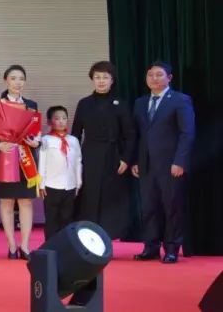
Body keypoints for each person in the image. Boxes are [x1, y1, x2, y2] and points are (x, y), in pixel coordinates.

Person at [132, 61, 195, 264]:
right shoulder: (140, 102)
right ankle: (150, 247)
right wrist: (136, 160)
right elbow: (138, 135)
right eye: (150, 75)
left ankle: (172, 248)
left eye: (159, 75)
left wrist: (180, 161)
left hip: (171, 164)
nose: (154, 78)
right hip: (146, 164)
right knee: (149, 207)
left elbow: (187, 133)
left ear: (169, 78)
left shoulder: (180, 100)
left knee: (172, 207)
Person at [71, 61, 135, 240]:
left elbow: (130, 134)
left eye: (105, 77)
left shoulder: (121, 104)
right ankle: (88, 236)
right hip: (89, 155)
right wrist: (74, 161)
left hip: (114, 156)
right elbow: (75, 134)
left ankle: (108, 238)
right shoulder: (84, 103)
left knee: (110, 198)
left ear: (112, 80)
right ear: (92, 79)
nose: (101, 81)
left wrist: (126, 158)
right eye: (97, 77)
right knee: (89, 196)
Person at [0, 65, 40, 260]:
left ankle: (25, 246)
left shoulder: (31, 105)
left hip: (26, 158)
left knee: (26, 201)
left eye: (21, 79)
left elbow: (35, 129)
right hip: (6, 156)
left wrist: (36, 142)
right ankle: (11, 246)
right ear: (6, 81)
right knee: (7, 201)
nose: (17, 82)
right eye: (13, 78)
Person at [38, 106, 82, 240]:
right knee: (51, 218)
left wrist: (78, 183)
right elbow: (42, 162)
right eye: (57, 118)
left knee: (66, 217)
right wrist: (41, 184)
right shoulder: (46, 140)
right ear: (50, 122)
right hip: (51, 185)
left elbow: (78, 162)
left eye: (64, 118)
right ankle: (50, 245)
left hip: (69, 185)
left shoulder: (73, 140)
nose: (61, 121)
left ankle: (65, 244)